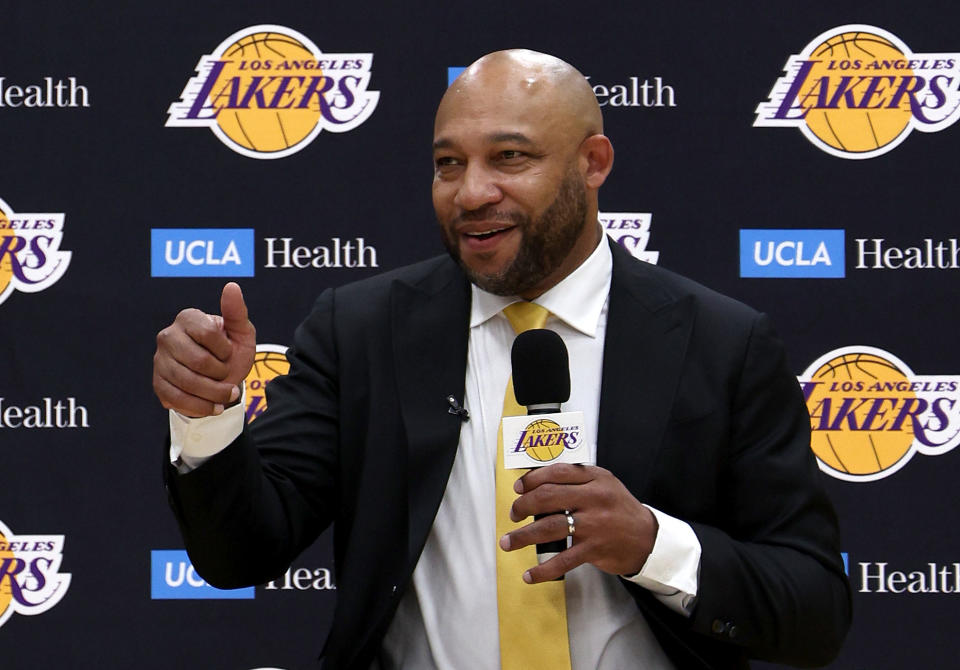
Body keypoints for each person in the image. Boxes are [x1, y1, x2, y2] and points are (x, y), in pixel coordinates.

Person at [153, 49, 851, 669]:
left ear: (593, 163)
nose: (471, 192)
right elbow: (238, 553)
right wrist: (207, 417)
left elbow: (815, 612)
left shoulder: (723, 342)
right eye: (448, 164)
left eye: (509, 157)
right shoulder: (362, 329)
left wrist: (651, 544)